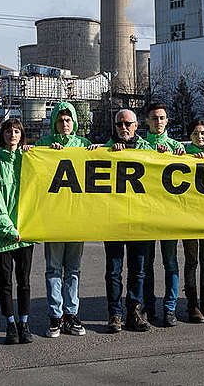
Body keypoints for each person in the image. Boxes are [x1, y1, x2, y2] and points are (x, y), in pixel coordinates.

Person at [90, 108, 154, 332]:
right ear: (114, 127)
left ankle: (135, 311)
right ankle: (115, 314)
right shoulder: (103, 150)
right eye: (119, 125)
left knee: (139, 270)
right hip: (114, 221)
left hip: (140, 220)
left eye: (128, 124)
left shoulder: (149, 150)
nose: (124, 128)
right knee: (114, 271)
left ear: (137, 125)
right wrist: (101, 152)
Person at [34, 101, 89, 338]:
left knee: (73, 269)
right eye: (60, 120)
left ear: (74, 122)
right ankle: (55, 315)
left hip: (76, 217)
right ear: (54, 123)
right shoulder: (44, 145)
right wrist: (45, 153)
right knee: (54, 268)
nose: (64, 124)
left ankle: (71, 314)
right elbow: (33, 169)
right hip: (54, 217)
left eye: (68, 120)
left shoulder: (83, 145)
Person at [0, 118, 34, 345]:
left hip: (25, 233)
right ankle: (10, 324)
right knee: (5, 282)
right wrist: (9, 229)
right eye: (8, 131)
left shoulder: (29, 161)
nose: (12, 135)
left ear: (21, 135)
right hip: (2, 235)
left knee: (24, 281)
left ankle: (24, 322)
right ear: (2, 135)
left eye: (16, 131)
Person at [141, 102, 187, 328]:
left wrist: (181, 156)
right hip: (147, 215)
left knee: (170, 262)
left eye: (162, 118)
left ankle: (170, 308)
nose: (158, 122)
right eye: (154, 118)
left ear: (167, 121)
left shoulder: (176, 146)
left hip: (169, 215)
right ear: (147, 121)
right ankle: (148, 306)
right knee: (146, 264)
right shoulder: (139, 147)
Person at [182, 119, 204, 323]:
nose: (200, 136)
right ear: (190, 136)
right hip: (189, 217)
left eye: (203, 133)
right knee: (191, 262)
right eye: (196, 133)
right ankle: (192, 304)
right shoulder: (184, 156)